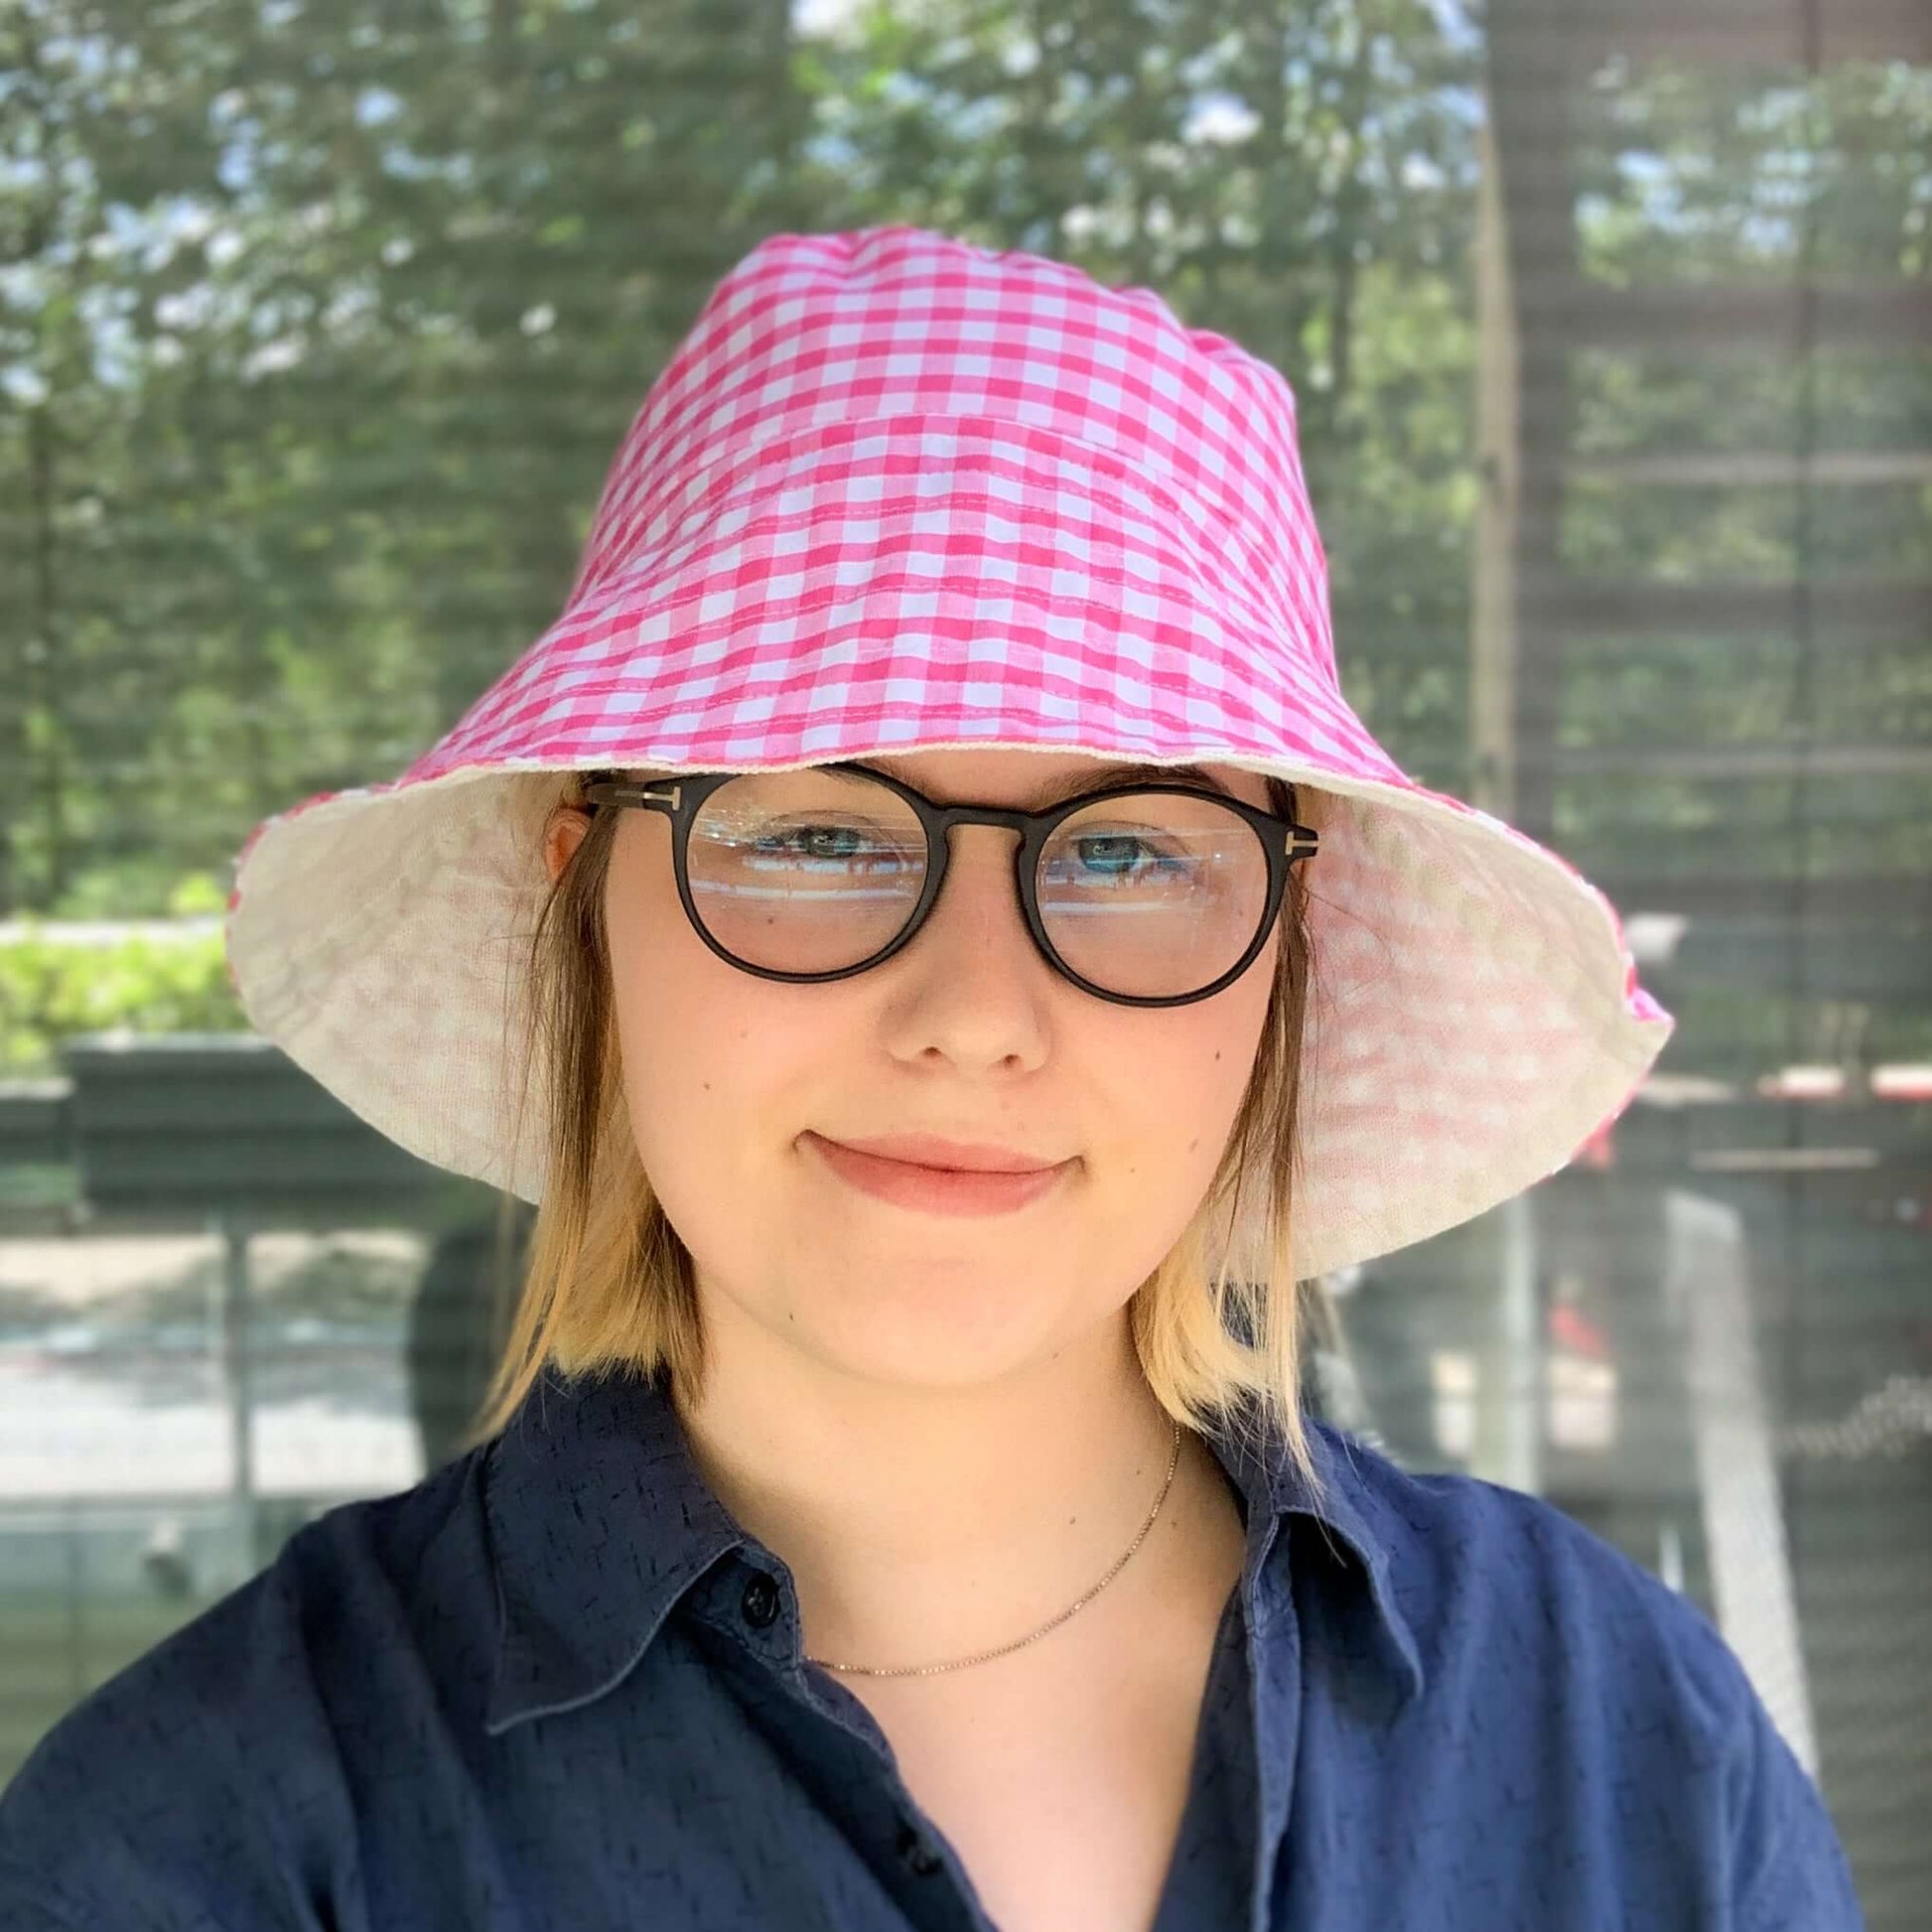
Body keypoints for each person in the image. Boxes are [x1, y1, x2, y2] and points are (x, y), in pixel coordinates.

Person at [0, 224, 1863, 1932]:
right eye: (814, 836)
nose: (973, 1011)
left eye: (1131, 848)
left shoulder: (1621, 1742)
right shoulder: (218, 1839)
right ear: (586, 897)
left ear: (1282, 962)